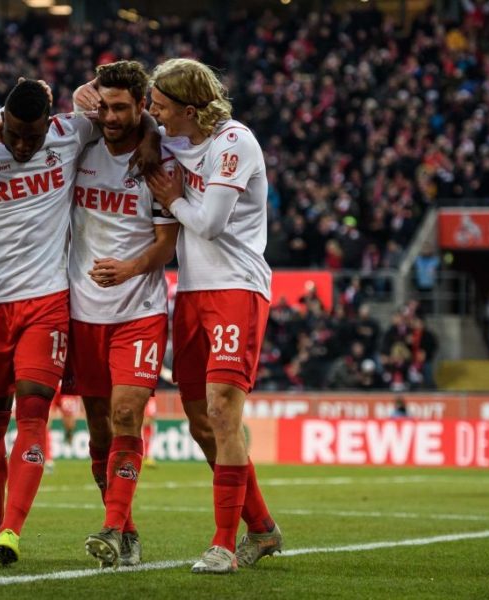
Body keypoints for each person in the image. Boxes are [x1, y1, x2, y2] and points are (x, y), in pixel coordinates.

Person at [0, 79, 160, 566]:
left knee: (34, 415)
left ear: (49, 123)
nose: (22, 145)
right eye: (14, 135)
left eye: (32, 136)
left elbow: (125, 113)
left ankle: (10, 534)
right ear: (1, 119)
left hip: (47, 303)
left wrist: (148, 137)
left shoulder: (69, 131)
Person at [145, 58, 281, 574]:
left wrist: (174, 199)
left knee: (224, 412)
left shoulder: (234, 142)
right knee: (201, 420)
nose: (154, 115)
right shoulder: (172, 137)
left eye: (161, 106)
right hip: (195, 292)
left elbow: (208, 223)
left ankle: (224, 544)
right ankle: (263, 528)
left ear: (189, 108)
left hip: (237, 288)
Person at [68, 60, 179, 568]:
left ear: (141, 106)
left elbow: (165, 245)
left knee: (126, 414)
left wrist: (129, 268)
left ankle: (111, 527)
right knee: (98, 430)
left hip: (140, 308)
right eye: (105, 106)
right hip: (83, 310)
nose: (110, 117)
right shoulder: (81, 147)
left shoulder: (160, 164)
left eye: (121, 108)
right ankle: (127, 531)